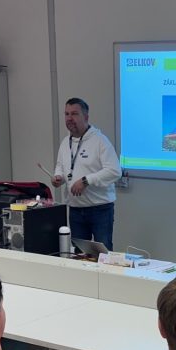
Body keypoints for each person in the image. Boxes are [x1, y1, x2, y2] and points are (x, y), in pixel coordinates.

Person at [52, 98, 121, 251]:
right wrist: (59, 177)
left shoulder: (100, 141)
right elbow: (61, 166)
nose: (69, 118)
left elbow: (115, 171)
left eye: (74, 114)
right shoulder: (65, 142)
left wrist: (86, 181)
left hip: (100, 209)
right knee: (79, 253)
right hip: (75, 209)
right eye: (66, 114)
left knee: (103, 254)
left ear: (86, 117)